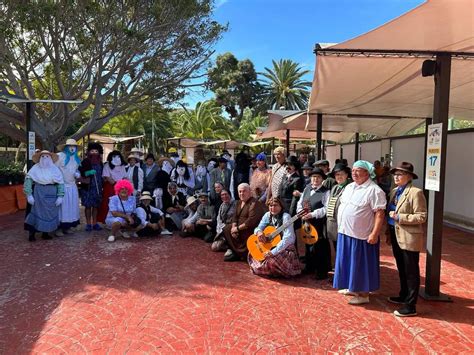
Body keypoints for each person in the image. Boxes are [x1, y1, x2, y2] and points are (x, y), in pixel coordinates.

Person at [333, 160, 386, 305]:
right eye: (353, 170)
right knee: (348, 262)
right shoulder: (350, 187)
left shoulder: (374, 190)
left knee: (360, 265)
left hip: (361, 235)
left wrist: (374, 234)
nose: (354, 173)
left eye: (358, 170)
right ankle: (352, 287)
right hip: (346, 231)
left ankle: (363, 294)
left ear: (367, 173)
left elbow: (379, 214)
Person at [386, 162, 427, 317]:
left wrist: (399, 217)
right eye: (395, 174)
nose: (396, 177)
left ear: (409, 177)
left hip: (408, 237)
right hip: (395, 234)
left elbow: (421, 216)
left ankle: (411, 305)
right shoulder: (395, 191)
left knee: (411, 271)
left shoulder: (416, 193)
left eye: (400, 174)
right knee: (401, 267)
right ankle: (403, 294)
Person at [248, 197, 302, 278]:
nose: (272, 208)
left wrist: (272, 252)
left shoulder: (286, 217)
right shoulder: (267, 215)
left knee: (271, 261)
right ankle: (270, 271)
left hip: (284, 247)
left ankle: (278, 271)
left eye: (275, 205)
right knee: (253, 252)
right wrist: (259, 232)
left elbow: (288, 238)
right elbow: (258, 227)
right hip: (271, 246)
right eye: (270, 206)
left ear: (281, 206)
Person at [296, 168, 330, 279]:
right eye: (314, 177)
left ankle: (321, 271)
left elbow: (326, 208)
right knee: (308, 243)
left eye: (318, 177)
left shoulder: (326, 192)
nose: (315, 179)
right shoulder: (307, 188)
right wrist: (301, 213)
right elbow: (300, 203)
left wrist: (313, 214)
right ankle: (309, 267)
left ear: (322, 179)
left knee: (319, 246)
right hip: (306, 221)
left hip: (318, 222)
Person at [24, 150, 65, 241]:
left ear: (50, 158)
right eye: (43, 156)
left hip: (52, 192)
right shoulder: (35, 168)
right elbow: (28, 181)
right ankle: (32, 233)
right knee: (35, 212)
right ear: (39, 158)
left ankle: (45, 233)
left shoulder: (55, 169)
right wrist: (29, 195)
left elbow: (60, 183)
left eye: (47, 156)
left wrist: (60, 196)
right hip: (38, 192)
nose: (45, 158)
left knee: (48, 214)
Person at [223, 183, 266, 261]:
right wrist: (233, 228)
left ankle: (244, 253)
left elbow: (251, 221)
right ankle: (236, 252)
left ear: (250, 192)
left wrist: (237, 229)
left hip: (249, 229)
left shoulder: (254, 203)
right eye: (240, 192)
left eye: (244, 191)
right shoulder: (239, 202)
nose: (241, 193)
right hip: (238, 229)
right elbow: (235, 216)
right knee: (226, 229)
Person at [55, 138, 81, 236]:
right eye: (70, 146)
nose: (72, 148)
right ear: (66, 147)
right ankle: (58, 228)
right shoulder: (59, 156)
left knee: (71, 207)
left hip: (72, 186)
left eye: (74, 146)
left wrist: (77, 173)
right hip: (62, 186)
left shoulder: (76, 158)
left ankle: (68, 227)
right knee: (62, 208)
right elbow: (54, 169)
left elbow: (76, 169)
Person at [326, 163, 352, 253]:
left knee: (344, 249)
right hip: (333, 223)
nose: (339, 176)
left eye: (341, 174)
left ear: (346, 175)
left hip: (344, 225)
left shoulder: (350, 188)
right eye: (337, 174)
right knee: (336, 248)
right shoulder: (335, 187)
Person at [79, 142, 104, 231]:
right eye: (92, 151)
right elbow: (80, 173)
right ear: (89, 152)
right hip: (87, 188)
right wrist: (88, 173)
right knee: (88, 206)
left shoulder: (101, 163)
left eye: (96, 151)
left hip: (97, 189)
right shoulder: (85, 161)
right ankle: (88, 223)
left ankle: (95, 223)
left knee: (96, 206)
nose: (94, 152)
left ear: (99, 152)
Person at [97, 150, 127, 223]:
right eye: (114, 156)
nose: (116, 158)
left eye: (118, 156)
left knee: (120, 203)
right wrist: (115, 184)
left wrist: (123, 185)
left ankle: (120, 220)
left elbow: (125, 177)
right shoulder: (107, 165)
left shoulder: (122, 166)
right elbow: (107, 177)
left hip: (121, 187)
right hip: (110, 187)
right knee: (108, 203)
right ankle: (107, 220)